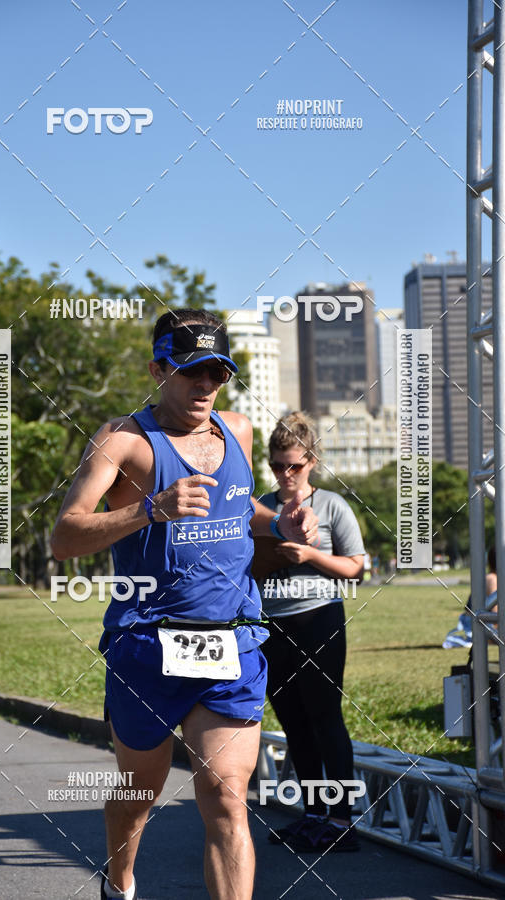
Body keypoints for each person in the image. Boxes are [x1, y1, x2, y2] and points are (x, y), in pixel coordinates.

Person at [50, 309, 318, 900]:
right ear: (158, 370)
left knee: (226, 798)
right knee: (137, 797)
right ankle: (119, 882)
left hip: (231, 641)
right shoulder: (123, 440)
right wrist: (150, 508)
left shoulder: (238, 430)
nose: (205, 384)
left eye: (217, 373)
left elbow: (238, 507)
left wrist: (281, 523)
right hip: (148, 643)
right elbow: (64, 537)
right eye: (192, 370)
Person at [255, 411, 365, 853]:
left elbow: (356, 568)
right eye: (277, 465)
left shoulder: (333, 505)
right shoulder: (260, 509)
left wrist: (309, 556)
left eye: (294, 465)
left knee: (325, 718)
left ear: (312, 461)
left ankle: (341, 823)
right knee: (293, 723)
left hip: (319, 620)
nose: (285, 474)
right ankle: (314, 816)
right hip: (272, 625)